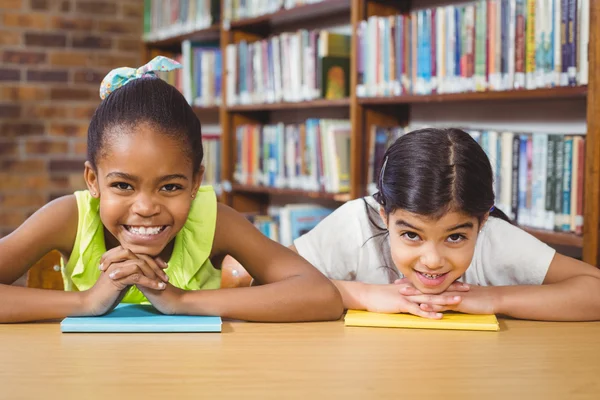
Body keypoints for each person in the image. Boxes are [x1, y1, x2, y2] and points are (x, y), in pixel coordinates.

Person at [0, 56, 343, 324]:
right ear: (93, 181)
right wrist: (85, 301)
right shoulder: (69, 218)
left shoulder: (214, 221)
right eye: (122, 185)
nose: (146, 207)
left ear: (196, 183)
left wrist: (180, 300)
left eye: (170, 186)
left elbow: (319, 294)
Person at [292, 127, 600, 321]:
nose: (433, 261)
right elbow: (263, 281)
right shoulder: (356, 223)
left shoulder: (495, 237)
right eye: (411, 234)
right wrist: (360, 294)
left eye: (454, 238)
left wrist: (494, 298)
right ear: (384, 216)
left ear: (481, 223)